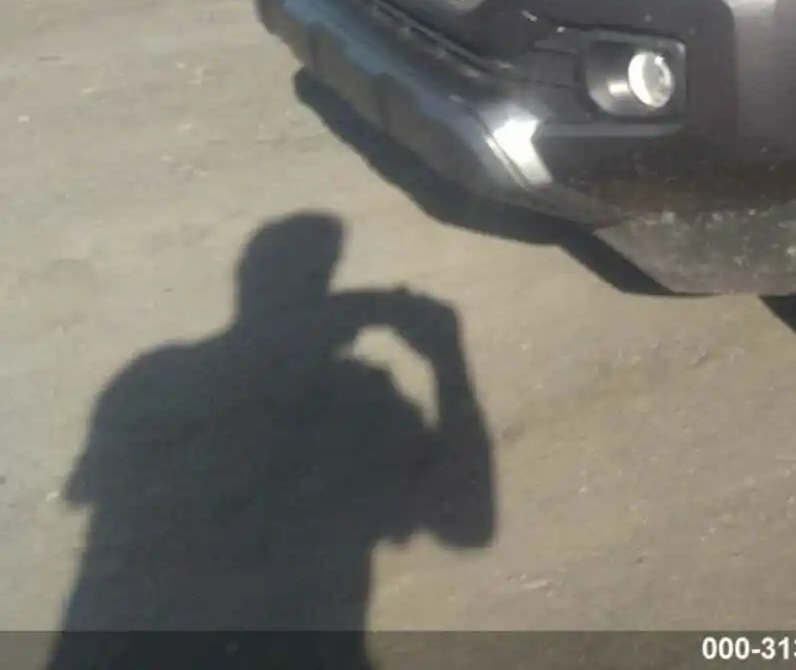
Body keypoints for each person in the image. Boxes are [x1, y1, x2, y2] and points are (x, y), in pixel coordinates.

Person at [52, 214, 494, 667]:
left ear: (244, 279)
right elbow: (469, 526)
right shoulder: (362, 398)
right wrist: (448, 361)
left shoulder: (151, 378)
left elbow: (94, 490)